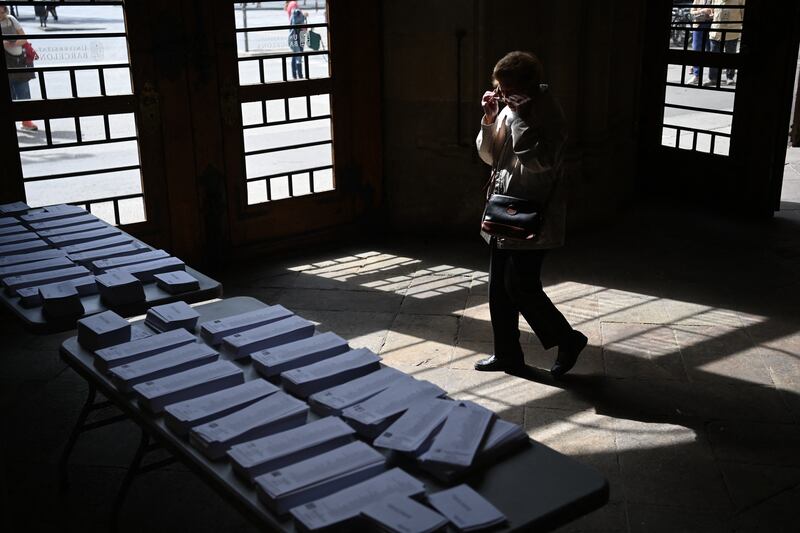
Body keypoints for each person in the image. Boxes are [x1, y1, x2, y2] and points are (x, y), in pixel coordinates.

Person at [474, 51, 587, 379]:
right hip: (503, 207)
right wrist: (489, 118)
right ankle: (507, 354)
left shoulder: (548, 111)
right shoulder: (509, 107)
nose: (504, 95)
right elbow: (488, 156)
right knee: (498, 287)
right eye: (500, 88)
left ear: (529, 86)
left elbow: (538, 162)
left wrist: (521, 116)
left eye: (508, 90)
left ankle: (568, 339)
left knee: (521, 286)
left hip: (532, 211)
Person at [1, 6, 38, 131]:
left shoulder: (11, 19)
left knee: (23, 90)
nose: (1, 13)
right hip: (5, 60)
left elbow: (24, 38)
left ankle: (26, 120)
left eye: (3, 10)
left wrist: (12, 43)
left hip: (19, 60)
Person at [705, 0, 745, 87]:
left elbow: (743, 14)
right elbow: (711, 10)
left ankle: (730, 77)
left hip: (732, 31)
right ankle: (713, 78)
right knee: (714, 56)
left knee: (730, 56)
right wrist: (711, 13)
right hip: (716, 31)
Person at [687, 0, 713, 85]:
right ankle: (697, 75)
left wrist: (711, 13)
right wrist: (702, 11)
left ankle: (713, 77)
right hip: (698, 25)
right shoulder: (698, 0)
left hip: (712, 25)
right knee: (697, 50)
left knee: (712, 51)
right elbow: (692, 12)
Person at [286, 1, 307, 80]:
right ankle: (300, 74)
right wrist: (304, 16)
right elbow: (296, 18)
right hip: (298, 33)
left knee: (295, 54)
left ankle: (294, 74)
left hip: (293, 33)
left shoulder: (290, 5)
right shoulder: (294, 4)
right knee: (299, 54)